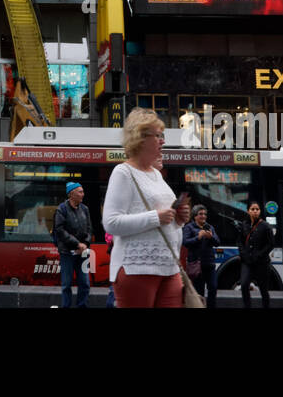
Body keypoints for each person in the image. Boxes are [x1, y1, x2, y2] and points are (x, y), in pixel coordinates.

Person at [101, 108, 190, 308]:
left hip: (169, 266)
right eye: (158, 135)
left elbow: (167, 220)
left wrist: (179, 219)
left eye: (162, 135)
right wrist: (156, 218)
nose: (163, 141)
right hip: (136, 268)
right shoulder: (123, 172)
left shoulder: (156, 174)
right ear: (140, 138)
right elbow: (111, 222)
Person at [53, 181, 93, 308]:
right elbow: (59, 230)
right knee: (66, 285)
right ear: (71, 194)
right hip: (67, 253)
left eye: (82, 191)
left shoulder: (85, 209)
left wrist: (85, 244)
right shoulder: (62, 209)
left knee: (85, 283)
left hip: (83, 254)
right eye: (80, 192)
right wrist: (77, 244)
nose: (83, 194)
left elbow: (89, 228)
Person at [237, 201, 274, 308]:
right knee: (244, 285)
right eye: (252, 209)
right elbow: (239, 241)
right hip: (247, 262)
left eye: (257, 209)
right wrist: (243, 254)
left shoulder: (266, 226)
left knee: (263, 289)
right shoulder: (244, 225)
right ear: (248, 211)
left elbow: (271, 244)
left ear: (260, 211)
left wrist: (259, 255)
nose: (255, 211)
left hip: (261, 263)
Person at [182, 204, 219, 307]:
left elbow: (217, 242)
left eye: (205, 214)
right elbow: (185, 242)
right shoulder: (189, 227)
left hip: (210, 264)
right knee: (199, 291)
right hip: (197, 265)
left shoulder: (209, 227)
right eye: (200, 214)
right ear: (195, 216)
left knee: (213, 287)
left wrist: (211, 237)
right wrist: (198, 237)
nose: (203, 216)